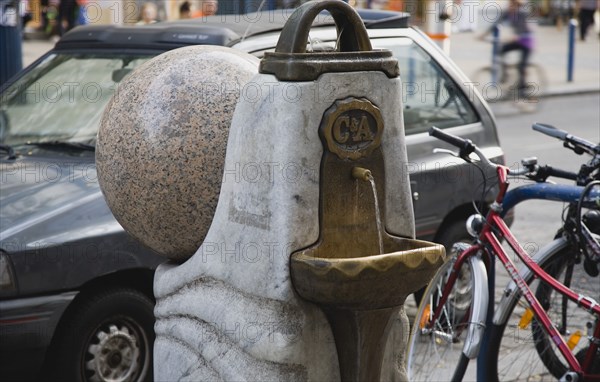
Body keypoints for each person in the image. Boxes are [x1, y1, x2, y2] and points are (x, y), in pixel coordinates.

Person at [480, 0, 534, 98]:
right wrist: (482, 35)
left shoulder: (521, 13)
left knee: (521, 66)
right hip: (517, 40)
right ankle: (505, 75)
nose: (510, 6)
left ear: (517, 5)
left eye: (512, 4)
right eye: (509, 4)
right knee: (502, 50)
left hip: (527, 41)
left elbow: (522, 29)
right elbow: (495, 24)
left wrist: (515, 37)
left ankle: (524, 90)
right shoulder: (507, 13)